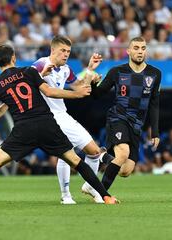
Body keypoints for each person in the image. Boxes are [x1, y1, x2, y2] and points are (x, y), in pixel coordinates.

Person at [0, 44, 118, 207]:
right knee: (77, 162)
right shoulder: (29, 71)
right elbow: (49, 92)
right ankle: (106, 196)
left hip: (23, 129)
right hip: (46, 124)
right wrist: (77, 94)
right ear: (13, 58)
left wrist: (8, 102)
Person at [32, 35, 112, 204]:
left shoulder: (66, 69)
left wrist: (90, 70)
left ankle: (90, 186)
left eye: (68, 51)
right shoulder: (41, 63)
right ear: (52, 50)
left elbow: (80, 86)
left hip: (63, 115)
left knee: (94, 152)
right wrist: (41, 73)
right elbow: (27, 78)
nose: (66, 54)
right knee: (66, 154)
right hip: (47, 117)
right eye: (62, 50)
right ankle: (66, 195)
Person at [90, 37, 161, 191]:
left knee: (125, 171)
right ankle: (100, 193)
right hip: (118, 118)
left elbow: (154, 104)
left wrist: (154, 131)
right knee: (123, 153)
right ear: (128, 51)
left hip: (137, 124)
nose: (140, 51)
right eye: (136, 48)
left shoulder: (155, 74)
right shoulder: (117, 71)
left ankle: (103, 156)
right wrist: (93, 83)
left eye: (143, 48)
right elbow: (97, 95)